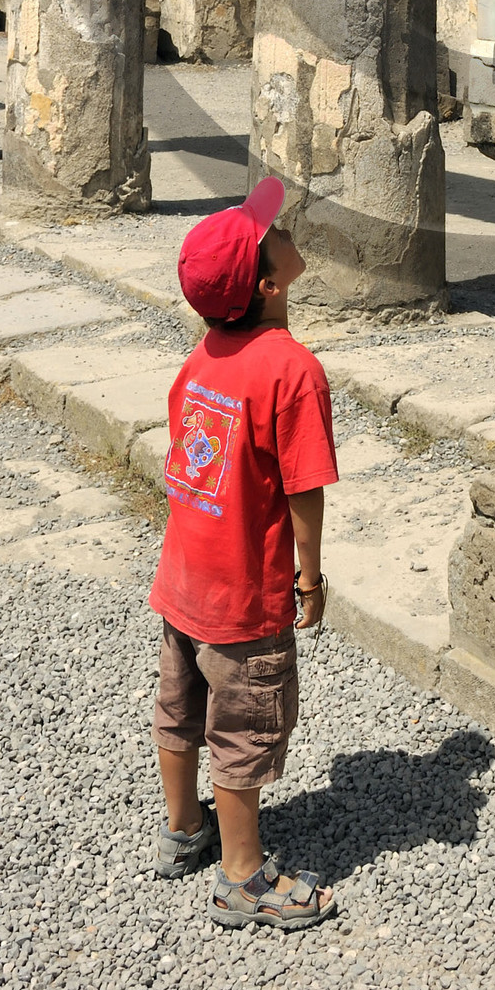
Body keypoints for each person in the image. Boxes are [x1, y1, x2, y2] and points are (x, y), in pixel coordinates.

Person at [149, 174, 339, 930]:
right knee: (245, 726)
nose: (283, 225)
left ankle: (181, 829)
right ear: (268, 282)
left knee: (179, 706)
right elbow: (304, 492)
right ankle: (242, 874)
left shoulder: (204, 355)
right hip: (242, 597)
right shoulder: (293, 368)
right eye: (274, 231)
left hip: (183, 579)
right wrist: (311, 577)